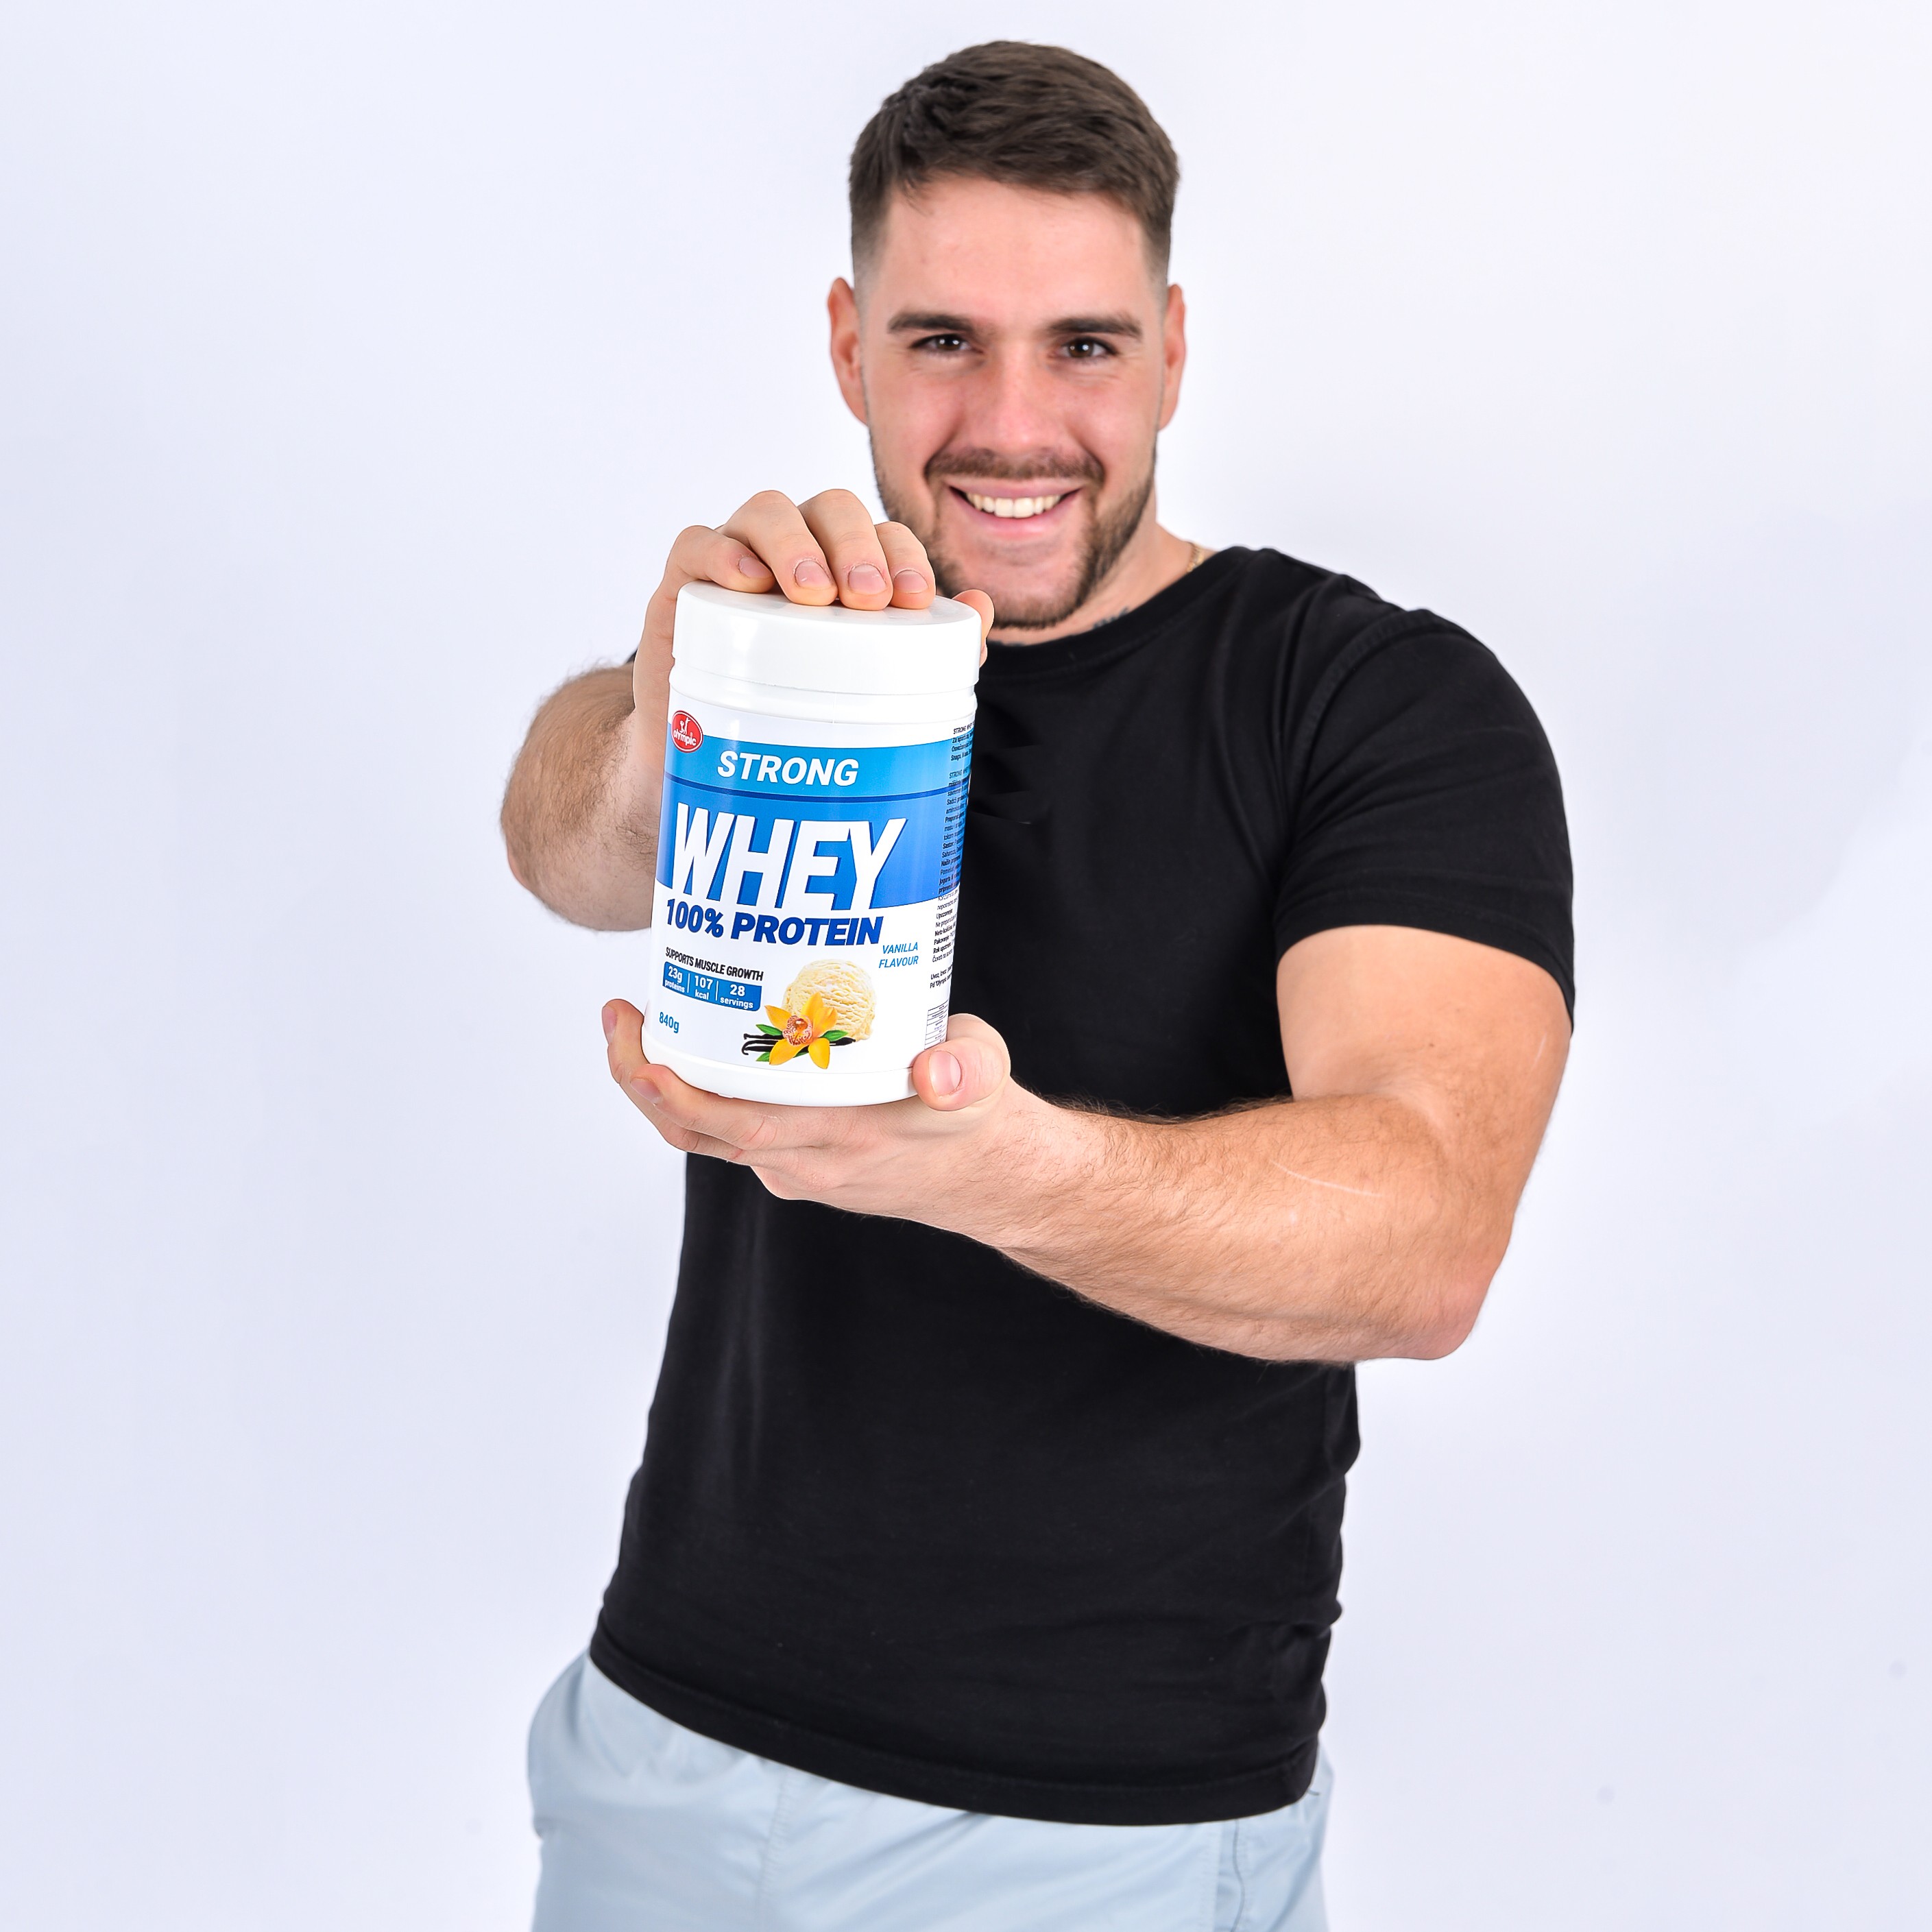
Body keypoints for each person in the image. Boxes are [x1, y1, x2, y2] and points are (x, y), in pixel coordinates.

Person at [500, 40, 1573, 1932]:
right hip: (669, 1749)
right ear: (850, 347)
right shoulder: (806, 655)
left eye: (1081, 345)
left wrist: (990, 1168)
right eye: (942, 342)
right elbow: (559, 846)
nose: (1012, 424)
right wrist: (669, 712)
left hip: (1109, 1829)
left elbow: (1426, 1242)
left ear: (1172, 349)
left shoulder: (1367, 701)